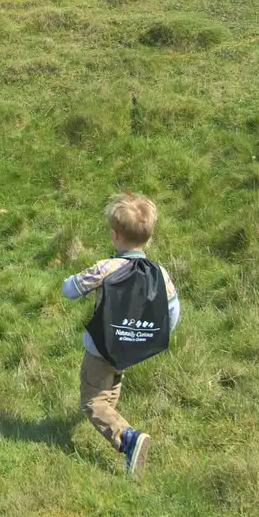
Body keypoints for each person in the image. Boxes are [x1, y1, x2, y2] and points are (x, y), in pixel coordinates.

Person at [62, 191, 180, 476]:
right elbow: (172, 311)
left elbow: (70, 289)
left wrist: (73, 278)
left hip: (101, 346)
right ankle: (113, 418)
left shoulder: (107, 267)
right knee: (110, 386)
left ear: (114, 235)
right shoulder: (159, 272)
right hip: (132, 346)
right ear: (148, 237)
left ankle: (127, 438)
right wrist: (146, 337)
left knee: (92, 401)